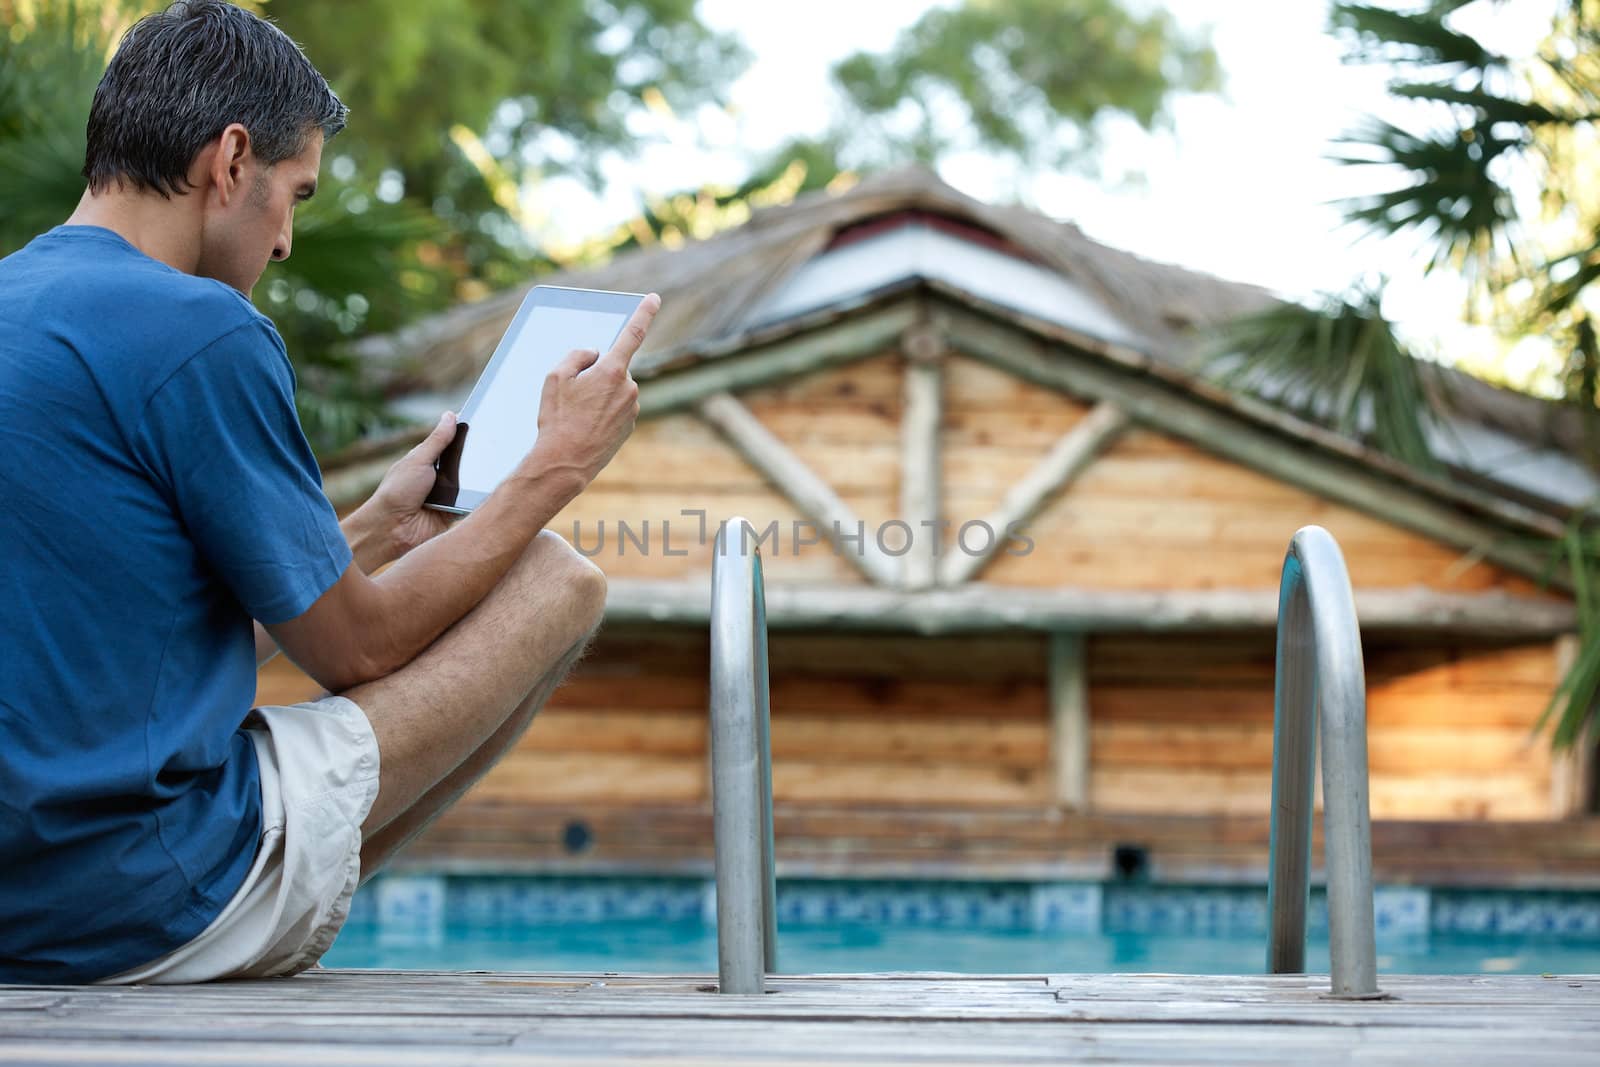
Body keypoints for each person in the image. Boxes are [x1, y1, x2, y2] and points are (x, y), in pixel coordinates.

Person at [0, 0, 658, 984]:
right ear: (230, 161)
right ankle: (248, 921)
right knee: (556, 582)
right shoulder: (199, 329)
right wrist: (554, 467)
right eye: (295, 194)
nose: (286, 243)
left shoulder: (21, 303)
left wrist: (381, 526)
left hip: (21, 896)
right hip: (135, 895)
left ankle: (275, 902)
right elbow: (360, 648)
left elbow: (153, 631)